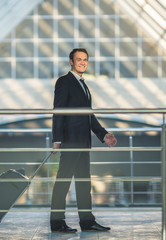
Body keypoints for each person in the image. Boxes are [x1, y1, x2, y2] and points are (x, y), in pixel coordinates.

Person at [50, 48, 117, 233]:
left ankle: (87, 222)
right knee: (63, 182)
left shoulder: (83, 85)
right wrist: (57, 140)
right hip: (70, 142)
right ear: (71, 61)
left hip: (83, 142)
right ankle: (57, 223)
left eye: (85, 59)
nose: (82, 62)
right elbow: (58, 111)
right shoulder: (64, 82)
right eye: (78, 59)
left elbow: (89, 116)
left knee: (83, 183)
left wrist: (103, 134)